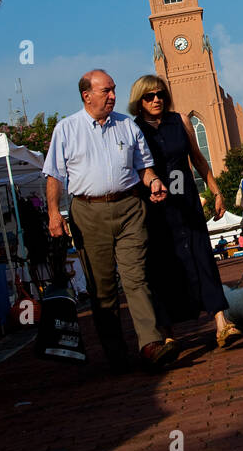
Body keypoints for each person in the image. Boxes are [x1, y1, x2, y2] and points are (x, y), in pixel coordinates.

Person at [43, 69, 176, 373]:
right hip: (88, 214)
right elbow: (54, 175)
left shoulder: (128, 126)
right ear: (86, 96)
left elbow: (144, 168)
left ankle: (150, 344)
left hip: (130, 207)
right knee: (101, 289)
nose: (114, 96)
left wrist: (154, 182)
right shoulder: (66, 129)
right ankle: (116, 355)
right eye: (106, 91)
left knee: (136, 278)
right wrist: (54, 213)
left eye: (114, 89)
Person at [130, 75, 242, 349]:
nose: (156, 100)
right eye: (149, 96)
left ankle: (221, 323)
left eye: (160, 94)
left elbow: (198, 158)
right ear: (139, 101)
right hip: (155, 208)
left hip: (187, 200)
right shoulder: (133, 130)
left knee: (202, 256)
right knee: (164, 266)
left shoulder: (179, 120)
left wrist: (216, 191)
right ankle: (168, 334)